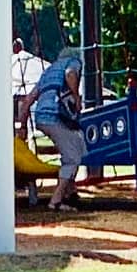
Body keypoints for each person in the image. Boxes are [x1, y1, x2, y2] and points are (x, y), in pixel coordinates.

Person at [26, 44, 91, 208]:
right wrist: (76, 97)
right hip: (57, 116)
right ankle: (56, 201)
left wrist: (21, 126)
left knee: (77, 143)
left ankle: (70, 190)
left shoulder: (48, 71)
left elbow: (28, 99)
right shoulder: (74, 61)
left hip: (41, 117)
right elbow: (70, 74)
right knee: (72, 158)